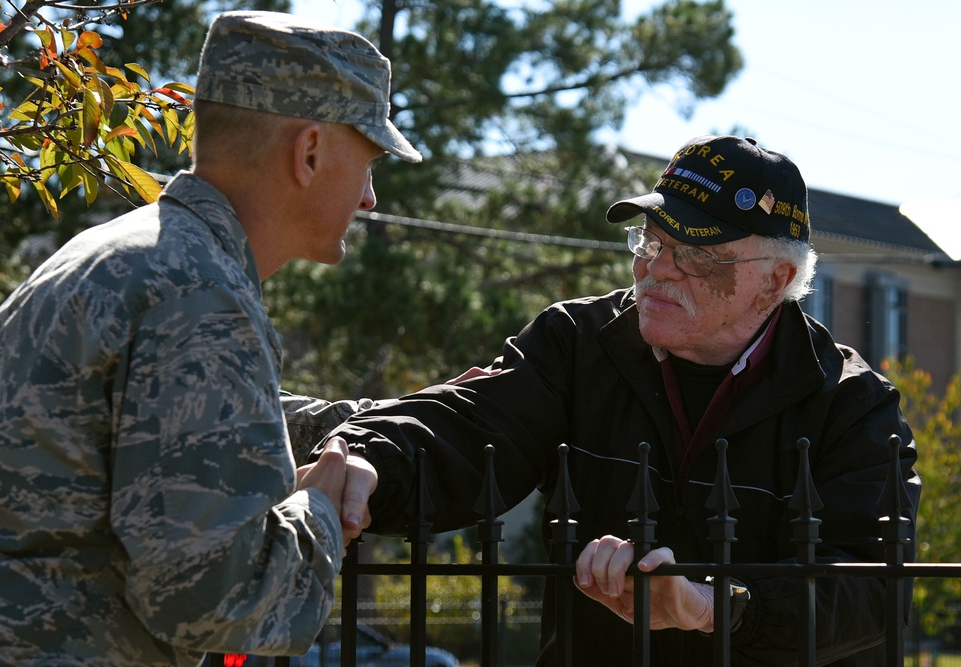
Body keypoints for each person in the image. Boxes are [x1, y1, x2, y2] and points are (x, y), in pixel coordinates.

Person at [309, 135, 921, 665]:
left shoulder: (853, 404)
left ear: (776, 281)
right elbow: (469, 424)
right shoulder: (578, 344)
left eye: (698, 256)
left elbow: (872, 590)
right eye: (650, 242)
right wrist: (367, 456)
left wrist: (714, 606)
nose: (658, 270)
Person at [0, 11, 417, 666]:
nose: (371, 197)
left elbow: (156, 424)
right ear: (310, 151)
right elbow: (210, 600)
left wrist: (361, 421)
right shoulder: (200, 293)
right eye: (369, 162)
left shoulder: (127, 256)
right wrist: (320, 512)